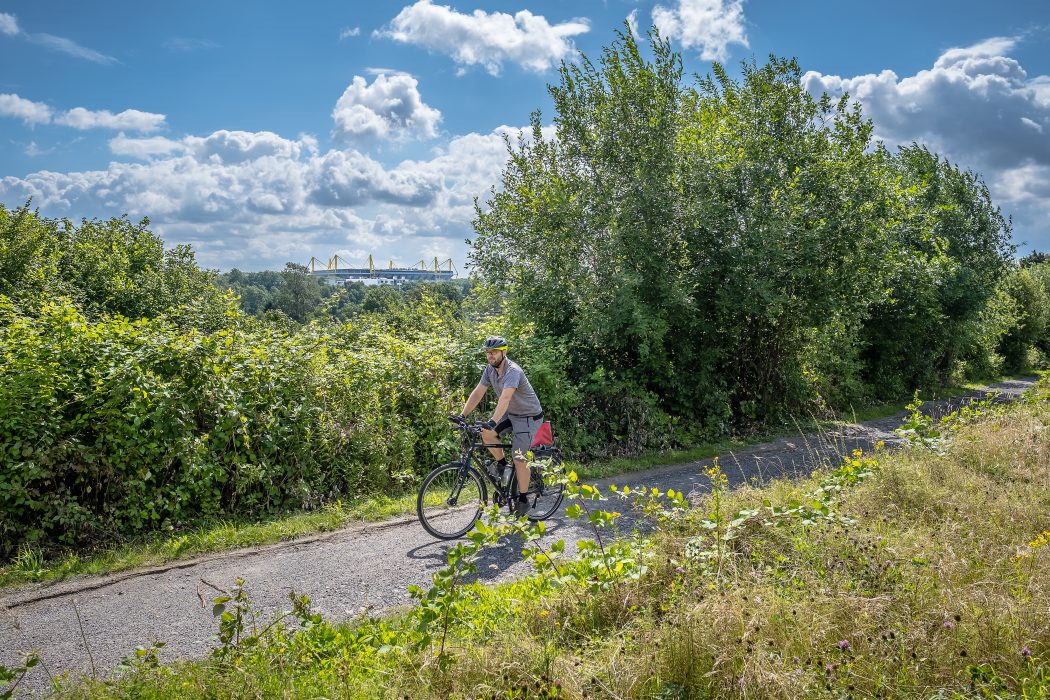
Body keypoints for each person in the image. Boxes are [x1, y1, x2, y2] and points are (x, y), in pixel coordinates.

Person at [454, 336, 544, 517]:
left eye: (494, 352)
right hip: (512, 414)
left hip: (529, 417)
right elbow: (478, 392)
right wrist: (462, 415)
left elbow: (505, 398)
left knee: (519, 459)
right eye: (488, 353)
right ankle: (504, 467)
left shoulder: (513, 371)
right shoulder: (490, 370)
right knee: (486, 434)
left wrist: (494, 420)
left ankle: (524, 499)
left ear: (504, 352)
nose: (490, 356)